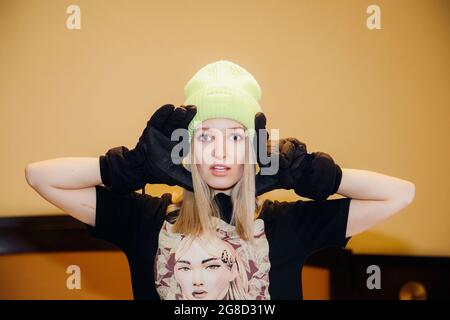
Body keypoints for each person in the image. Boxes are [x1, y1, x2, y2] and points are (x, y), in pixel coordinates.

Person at [25, 60, 415, 300]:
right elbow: (40, 176)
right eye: (206, 137)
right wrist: (130, 166)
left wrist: (313, 174)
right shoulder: (147, 222)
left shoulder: (284, 226)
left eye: (236, 137)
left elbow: (399, 195)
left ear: (255, 148)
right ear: (186, 148)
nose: (221, 151)